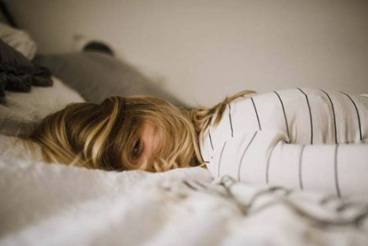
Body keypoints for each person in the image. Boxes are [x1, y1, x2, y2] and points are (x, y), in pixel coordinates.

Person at [27, 88, 368, 197]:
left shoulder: (232, 153)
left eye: (135, 148)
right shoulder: (226, 118)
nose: (151, 171)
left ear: (145, 108)